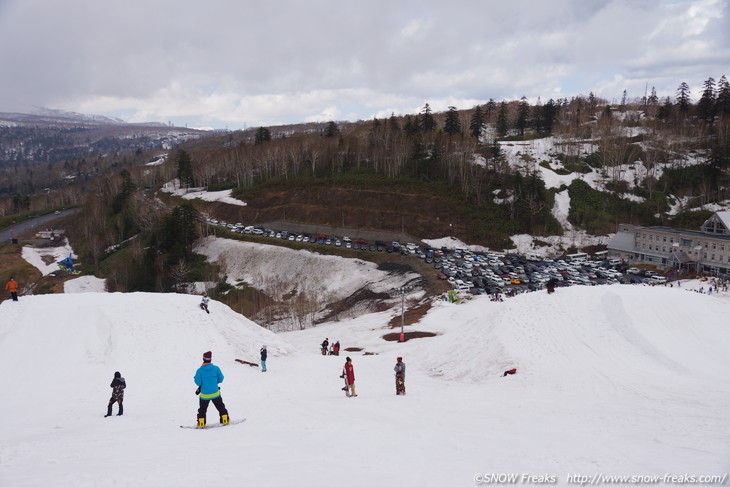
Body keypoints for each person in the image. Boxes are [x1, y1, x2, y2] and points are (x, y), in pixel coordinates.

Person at [194, 351, 229, 428]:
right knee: (221, 407)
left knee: (202, 410)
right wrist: (213, 382)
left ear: (203, 359)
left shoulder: (199, 371)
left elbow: (198, 382)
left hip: (204, 395)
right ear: (210, 359)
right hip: (215, 393)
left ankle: (201, 423)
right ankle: (225, 419)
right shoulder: (216, 368)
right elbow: (221, 379)